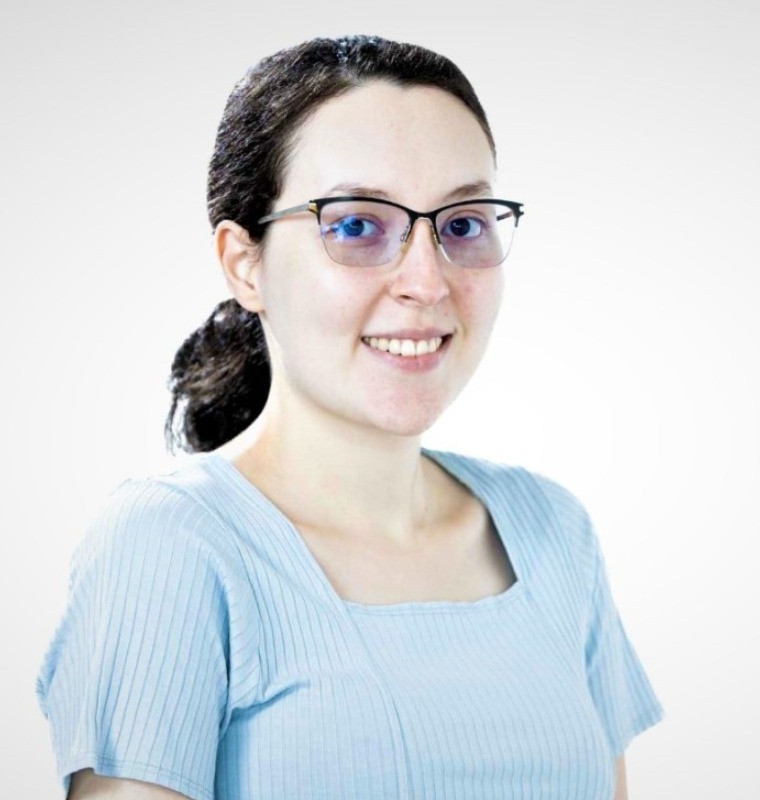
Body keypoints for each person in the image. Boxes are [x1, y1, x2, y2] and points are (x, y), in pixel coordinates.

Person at [35, 34, 664, 800]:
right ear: (244, 263)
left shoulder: (555, 532)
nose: (427, 281)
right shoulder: (171, 546)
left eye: (462, 224)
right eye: (357, 225)